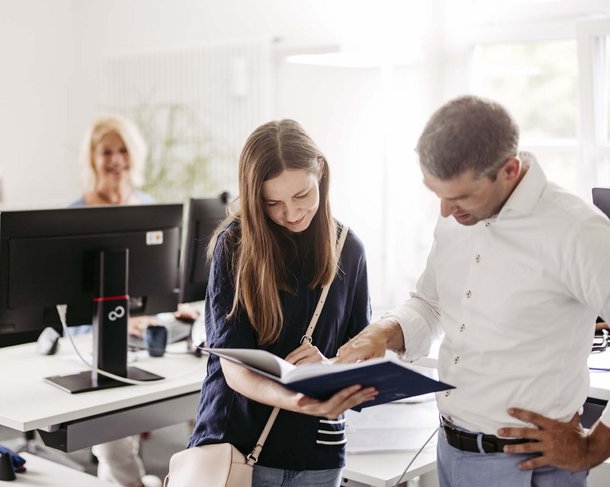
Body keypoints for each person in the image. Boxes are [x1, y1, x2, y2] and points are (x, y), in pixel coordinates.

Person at [335, 95, 610, 486]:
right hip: (452, 451)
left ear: (510, 170)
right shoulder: (456, 219)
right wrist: (385, 332)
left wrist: (595, 446)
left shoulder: (576, 231)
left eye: (461, 197)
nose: (447, 211)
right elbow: (429, 303)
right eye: (438, 195)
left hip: (528, 466)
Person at [187, 119, 376, 487]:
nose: (290, 213)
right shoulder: (234, 247)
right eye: (272, 202)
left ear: (319, 170)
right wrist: (301, 401)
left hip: (317, 455)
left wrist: (331, 366)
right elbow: (235, 369)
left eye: (302, 195)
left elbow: (361, 353)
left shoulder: (348, 249)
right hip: (236, 449)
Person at [72, 114, 161, 487]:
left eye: (122, 150)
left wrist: (162, 312)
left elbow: (158, 282)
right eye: (106, 151)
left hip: (141, 336)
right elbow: (70, 306)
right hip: (88, 340)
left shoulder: (148, 206)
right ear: (93, 158)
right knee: (110, 434)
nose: (115, 159)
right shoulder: (75, 215)